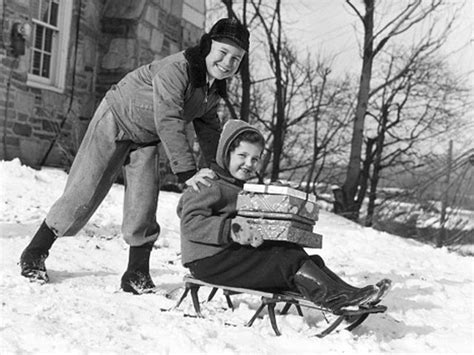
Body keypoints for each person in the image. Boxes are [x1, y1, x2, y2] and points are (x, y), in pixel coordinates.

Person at [19, 18, 250, 294]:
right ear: (207, 46)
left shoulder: (212, 89)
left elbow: (210, 129)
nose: (227, 62)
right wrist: (188, 173)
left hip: (146, 136)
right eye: (222, 53)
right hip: (116, 117)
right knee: (84, 190)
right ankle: (34, 252)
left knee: (144, 199)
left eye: (236, 59)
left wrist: (222, 170)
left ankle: (136, 273)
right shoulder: (177, 69)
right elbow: (168, 119)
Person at [177, 120, 390, 313]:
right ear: (225, 154)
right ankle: (336, 299)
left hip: (229, 255)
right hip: (207, 260)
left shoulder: (239, 186)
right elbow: (190, 223)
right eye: (242, 156)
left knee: (294, 252)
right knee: (284, 259)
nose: (249, 164)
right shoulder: (208, 183)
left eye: (255, 159)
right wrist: (230, 228)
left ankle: (348, 293)